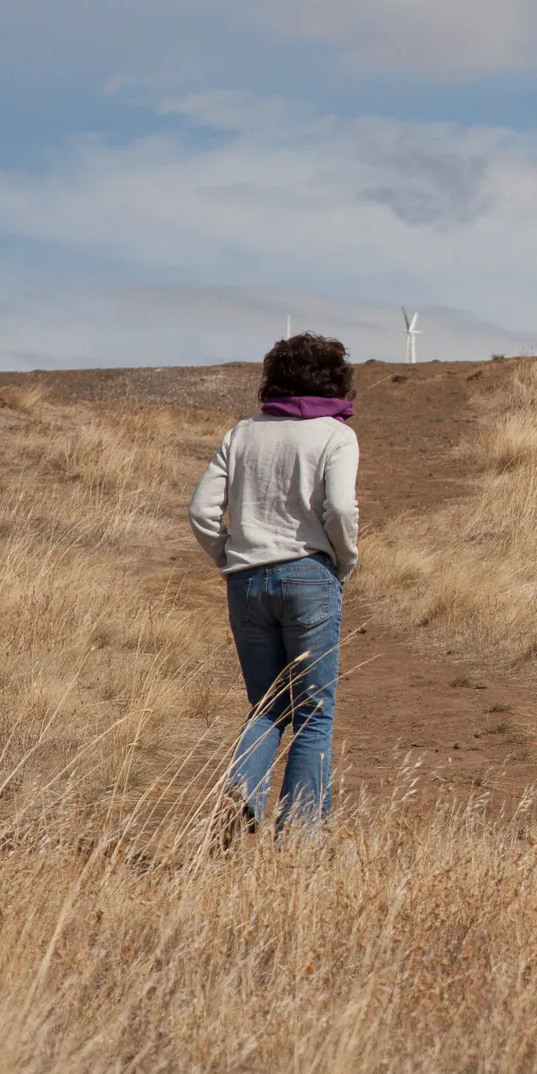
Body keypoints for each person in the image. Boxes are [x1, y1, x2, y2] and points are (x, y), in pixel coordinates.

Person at [190, 332, 361, 835]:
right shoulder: (335, 435)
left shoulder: (241, 433)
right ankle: (298, 841)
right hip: (310, 574)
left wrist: (230, 558)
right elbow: (342, 508)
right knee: (313, 713)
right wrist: (343, 560)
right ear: (335, 379)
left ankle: (242, 792)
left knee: (267, 704)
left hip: (245, 582)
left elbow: (201, 511)